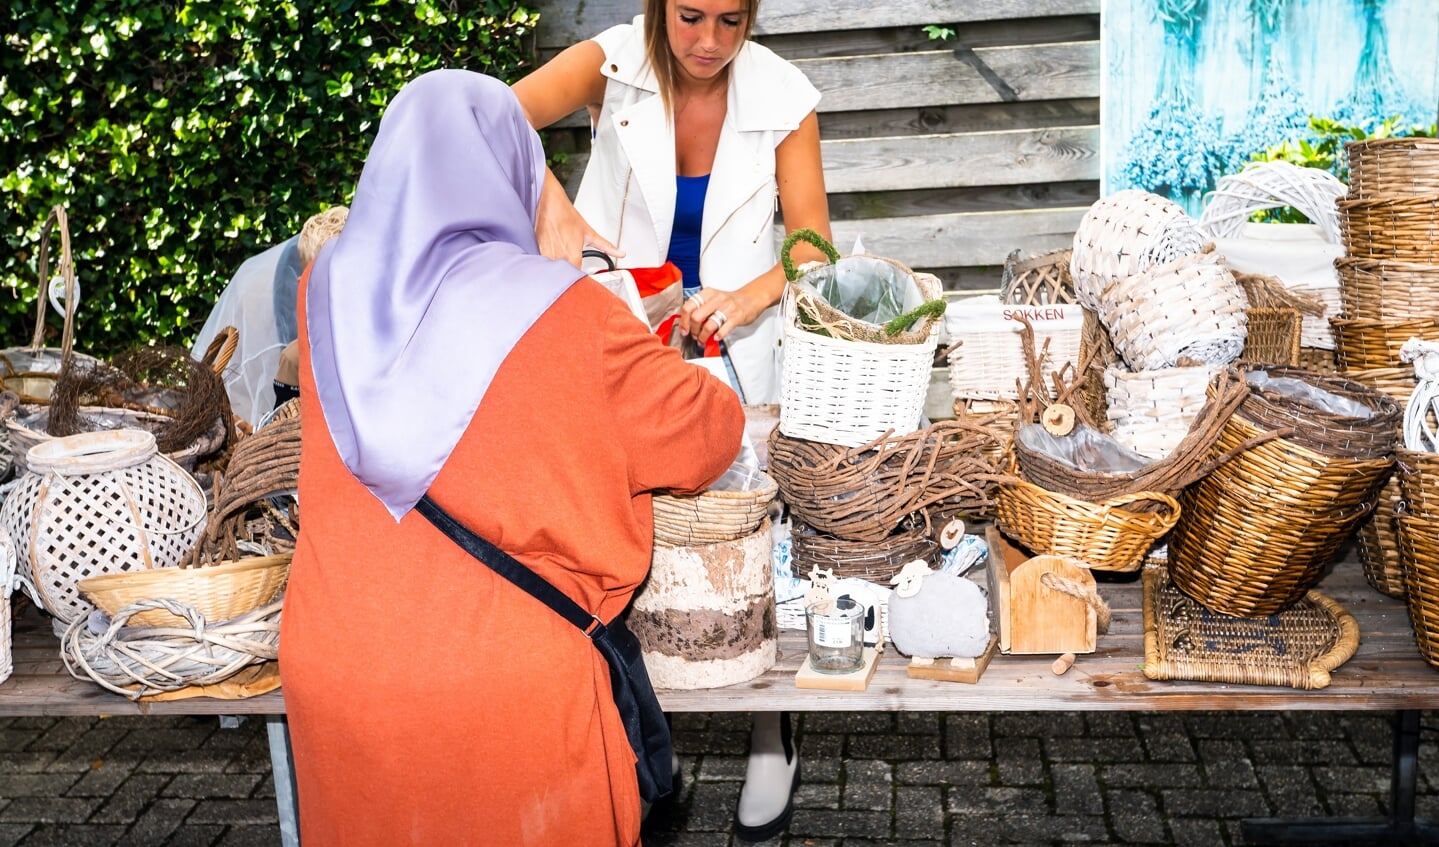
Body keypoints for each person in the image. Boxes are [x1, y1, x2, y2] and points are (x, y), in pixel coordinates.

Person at [279, 69, 745, 846]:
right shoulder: (568, 310)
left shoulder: (325, 288)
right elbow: (708, 432)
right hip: (501, 684)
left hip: (338, 663)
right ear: (515, 171)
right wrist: (585, 274)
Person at [513, 0, 830, 837]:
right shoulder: (609, 62)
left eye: (731, 21)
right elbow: (493, 119)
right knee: (613, 543)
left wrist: (747, 294)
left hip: (734, 355)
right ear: (657, 6)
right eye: (689, 16)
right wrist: (560, 214)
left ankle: (770, 732)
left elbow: (810, 245)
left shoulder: (786, 96)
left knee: (737, 543)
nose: (708, 43)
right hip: (614, 345)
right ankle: (641, 745)